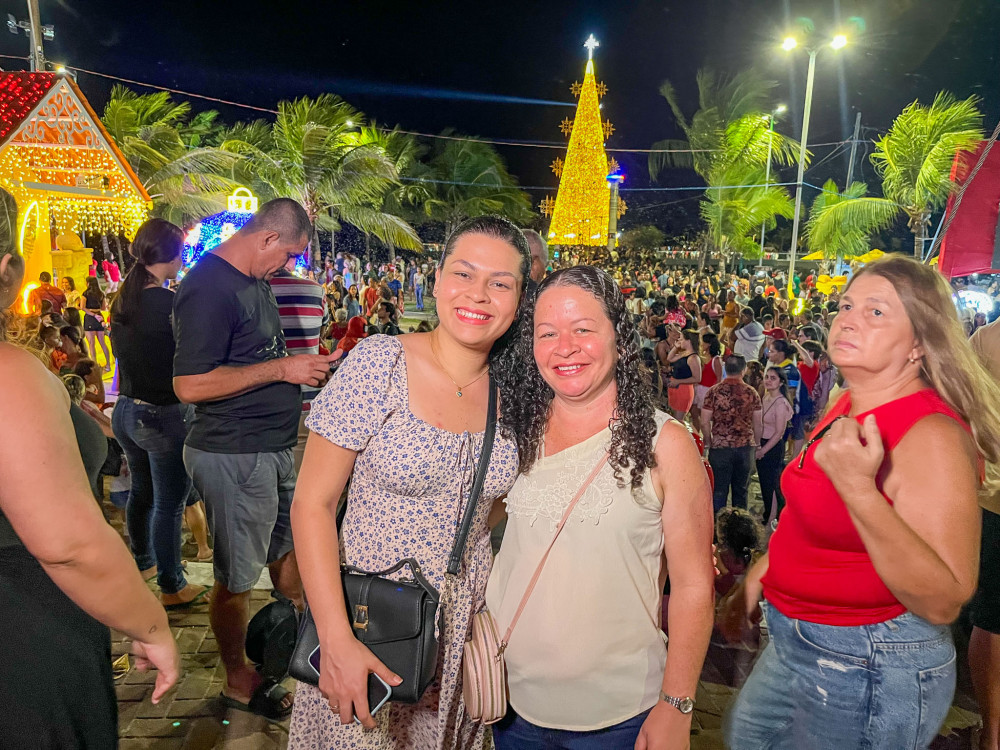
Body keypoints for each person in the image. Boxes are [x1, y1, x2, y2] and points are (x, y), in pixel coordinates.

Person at [723, 256, 1000, 750]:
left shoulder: (931, 435)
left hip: (870, 661)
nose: (848, 319)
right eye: (847, 306)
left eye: (876, 311)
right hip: (797, 641)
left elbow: (945, 598)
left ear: (919, 342)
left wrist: (858, 490)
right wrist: (754, 582)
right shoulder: (848, 401)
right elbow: (805, 516)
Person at [288, 215, 530, 748]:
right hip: (368, 620)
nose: (478, 294)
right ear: (436, 280)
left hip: (461, 625)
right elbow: (312, 505)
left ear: (518, 301)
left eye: (500, 283)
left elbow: (493, 504)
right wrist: (335, 639)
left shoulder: (515, 390)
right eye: (464, 274)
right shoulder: (381, 363)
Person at [487, 265, 715, 749]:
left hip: (619, 716)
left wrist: (677, 704)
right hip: (510, 704)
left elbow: (694, 585)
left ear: (618, 336)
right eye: (547, 333)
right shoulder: (515, 432)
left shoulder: (667, 445)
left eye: (583, 329)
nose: (565, 347)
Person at [0, 187, 178, 747]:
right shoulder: (10, 377)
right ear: (9, 272)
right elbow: (69, 544)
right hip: (25, 634)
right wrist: (148, 623)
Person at [173, 198, 335, 720]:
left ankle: (293, 649)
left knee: (289, 561)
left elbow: (255, 357)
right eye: (287, 255)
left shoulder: (253, 279)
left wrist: (304, 366)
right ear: (267, 238)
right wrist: (283, 370)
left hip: (271, 448)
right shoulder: (209, 286)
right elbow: (189, 384)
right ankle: (238, 678)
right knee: (237, 577)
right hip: (235, 452)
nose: (288, 266)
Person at [110, 218, 210, 609]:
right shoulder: (169, 304)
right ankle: (172, 585)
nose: (183, 259)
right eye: (181, 252)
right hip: (161, 415)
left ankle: (144, 563)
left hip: (126, 411)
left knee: (143, 492)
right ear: (169, 255)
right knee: (170, 502)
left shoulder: (124, 299)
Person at [970, 317, 1000, 750]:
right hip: (994, 495)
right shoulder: (987, 339)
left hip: (993, 493)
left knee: (992, 618)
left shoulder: (986, 339)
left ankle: (992, 734)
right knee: (991, 618)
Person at [269, 262, 326, 472]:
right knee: (301, 473)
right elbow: (321, 333)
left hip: (267, 396)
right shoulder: (315, 291)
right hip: (307, 394)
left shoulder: (254, 292)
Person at [702, 354, 762, 513]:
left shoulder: (713, 392)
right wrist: (757, 444)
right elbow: (758, 423)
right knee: (741, 491)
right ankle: (739, 524)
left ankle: (717, 525)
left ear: (726, 369)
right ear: (744, 370)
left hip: (720, 447)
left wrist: (708, 441)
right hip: (745, 447)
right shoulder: (751, 393)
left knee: (718, 491)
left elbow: (704, 421)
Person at [756, 366, 793, 524]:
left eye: (773, 378)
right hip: (762, 444)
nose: (768, 381)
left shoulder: (780, 403)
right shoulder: (766, 397)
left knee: (772, 484)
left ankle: (772, 517)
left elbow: (779, 432)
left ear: (781, 382)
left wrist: (762, 450)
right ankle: (768, 513)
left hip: (772, 447)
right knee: (764, 483)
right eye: (767, 377)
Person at [664, 328, 702, 421]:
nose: (679, 341)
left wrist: (678, 381)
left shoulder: (693, 358)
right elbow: (669, 359)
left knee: (678, 420)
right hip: (675, 387)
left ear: (688, 341)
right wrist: (675, 347)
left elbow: (697, 378)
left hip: (684, 389)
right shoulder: (684, 353)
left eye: (681, 339)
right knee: (673, 417)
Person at [82, 275, 112, 370]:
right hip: (99, 317)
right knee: (102, 343)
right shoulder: (101, 294)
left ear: (88, 283)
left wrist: (92, 313)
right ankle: (108, 365)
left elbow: (83, 307)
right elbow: (103, 308)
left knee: (91, 344)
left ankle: (94, 365)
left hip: (90, 318)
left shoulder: (85, 294)